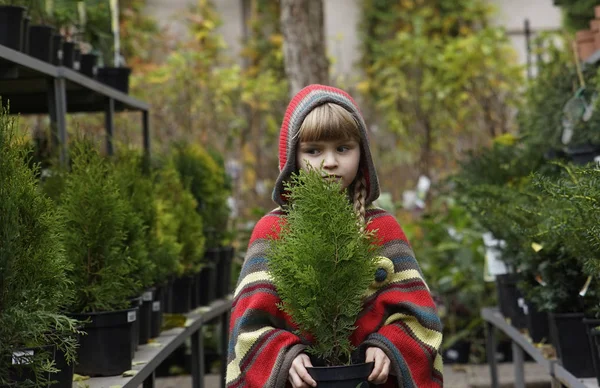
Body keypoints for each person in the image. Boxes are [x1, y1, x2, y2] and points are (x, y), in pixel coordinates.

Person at [226, 84, 443, 388]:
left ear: (362, 153)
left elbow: (420, 317)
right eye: (313, 150)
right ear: (293, 158)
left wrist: (388, 347)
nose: (329, 162)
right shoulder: (273, 232)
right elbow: (248, 327)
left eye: (343, 148)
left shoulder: (382, 229)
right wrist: (284, 355)